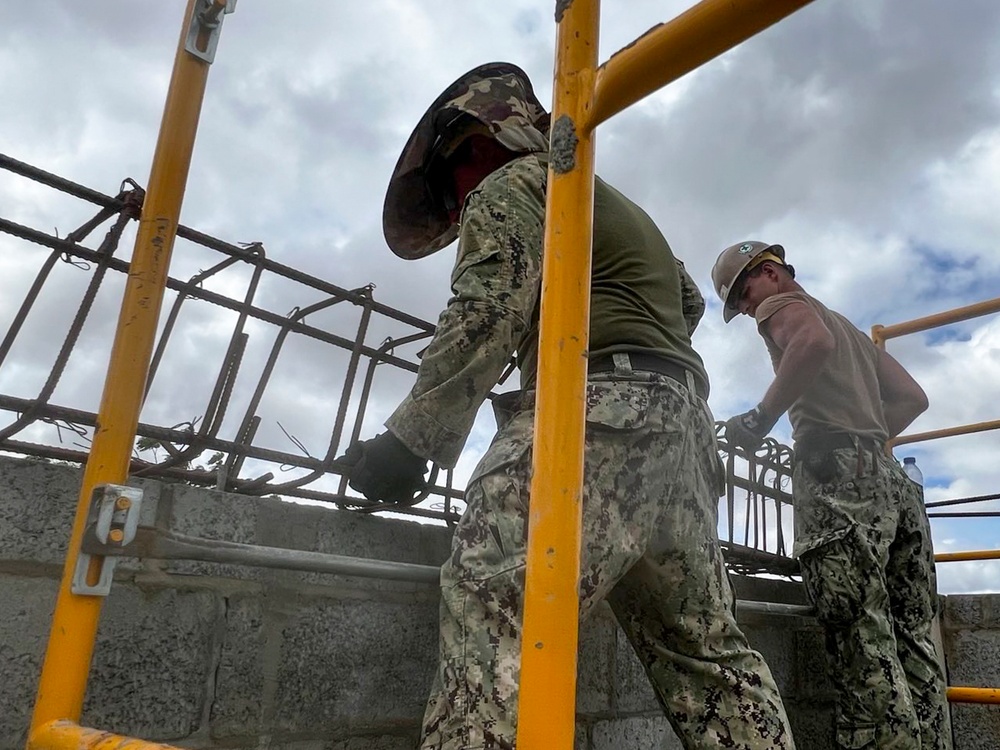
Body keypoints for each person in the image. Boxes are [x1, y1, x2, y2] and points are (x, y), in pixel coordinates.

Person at [342, 62, 795, 750]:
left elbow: (488, 308)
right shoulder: (609, 203)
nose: (459, 199)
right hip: (684, 432)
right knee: (707, 657)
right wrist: (635, 353)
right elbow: (689, 302)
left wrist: (410, 443)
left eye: (452, 177)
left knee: (495, 601)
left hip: (595, 418)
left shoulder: (517, 182)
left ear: (483, 142)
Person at [712, 241, 952, 750]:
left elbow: (811, 345)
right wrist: (864, 439)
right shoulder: (852, 330)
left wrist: (758, 421)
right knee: (911, 636)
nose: (747, 309)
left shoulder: (783, 307)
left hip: (837, 481)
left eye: (743, 294)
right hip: (890, 483)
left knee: (858, 636)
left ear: (771, 272)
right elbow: (914, 398)